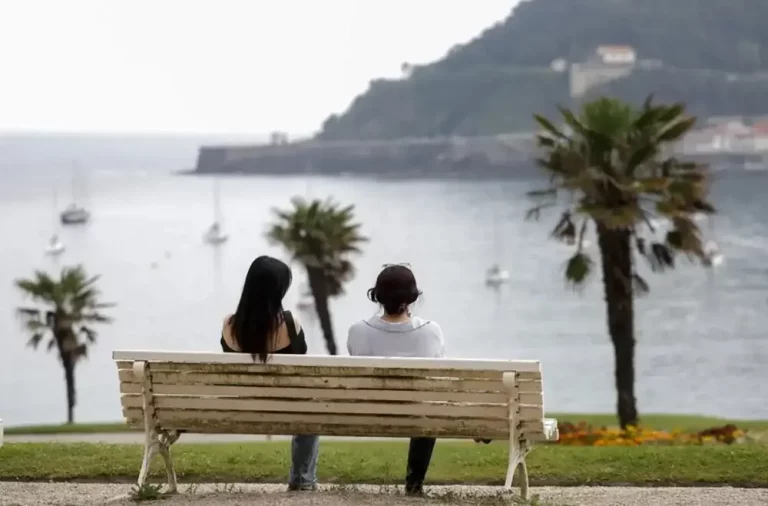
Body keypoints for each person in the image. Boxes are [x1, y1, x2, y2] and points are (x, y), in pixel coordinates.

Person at [221, 255, 319, 491]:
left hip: (242, 408)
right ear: (278, 290)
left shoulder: (229, 326)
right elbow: (301, 366)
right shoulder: (290, 323)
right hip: (286, 408)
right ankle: (301, 480)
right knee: (310, 415)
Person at [346, 263, 444, 496]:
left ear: (377, 296)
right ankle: (414, 484)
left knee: (424, 406)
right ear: (412, 296)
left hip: (368, 412)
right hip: (417, 415)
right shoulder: (431, 331)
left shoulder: (357, 330)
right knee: (425, 407)